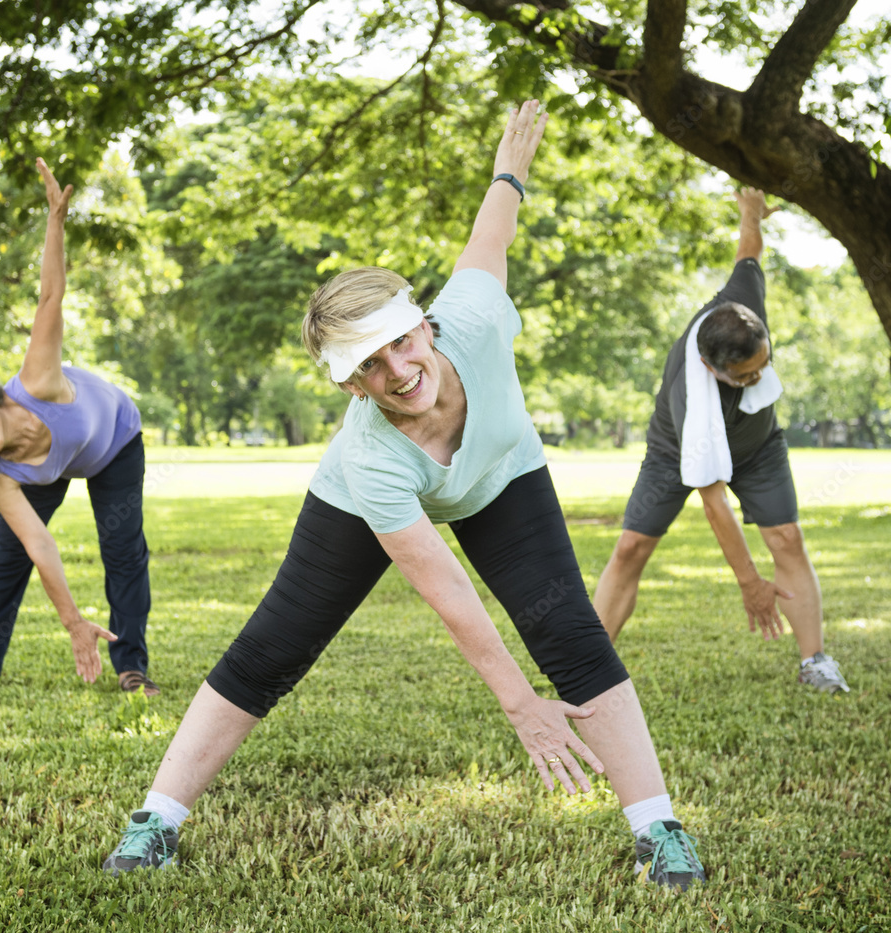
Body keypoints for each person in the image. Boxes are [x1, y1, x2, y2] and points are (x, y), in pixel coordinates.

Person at [102, 101, 705, 889]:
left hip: (503, 474)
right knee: (271, 647)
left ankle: (658, 827)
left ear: (424, 324)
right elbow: (448, 591)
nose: (397, 370)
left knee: (573, 634)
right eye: (369, 367)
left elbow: (490, 238)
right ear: (348, 383)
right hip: (357, 505)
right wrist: (522, 704)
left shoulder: (478, 321)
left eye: (402, 341)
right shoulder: (369, 455)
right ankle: (157, 819)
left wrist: (510, 170)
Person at [0, 159, 159, 697]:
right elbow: (41, 546)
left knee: (122, 547)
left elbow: (49, 296)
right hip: (46, 471)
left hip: (113, 440)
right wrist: (73, 624)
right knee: (4, 557)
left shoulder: (36, 381)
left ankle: (131, 665)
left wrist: (56, 221)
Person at [592, 188, 849, 695]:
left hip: (758, 446)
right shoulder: (694, 397)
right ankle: (590, 673)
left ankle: (815, 661)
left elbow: (749, 250)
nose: (761, 376)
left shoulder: (743, 303)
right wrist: (751, 584)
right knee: (630, 548)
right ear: (714, 369)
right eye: (748, 376)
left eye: (764, 364)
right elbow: (714, 504)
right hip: (674, 451)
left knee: (788, 537)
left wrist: (749, 207)